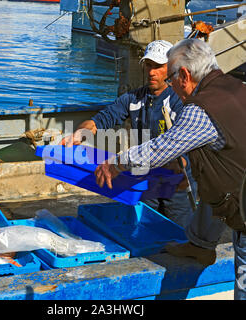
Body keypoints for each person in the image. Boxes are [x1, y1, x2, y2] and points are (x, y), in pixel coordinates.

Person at [94, 38, 246, 299]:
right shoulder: (237, 87)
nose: (171, 85)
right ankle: (201, 245)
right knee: (215, 177)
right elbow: (218, 158)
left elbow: (159, 148)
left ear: (184, 75)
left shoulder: (200, 110)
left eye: (172, 77)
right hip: (236, 183)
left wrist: (116, 163)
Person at [62, 40, 196, 229]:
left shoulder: (181, 101)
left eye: (158, 66)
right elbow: (102, 119)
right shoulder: (133, 99)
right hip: (145, 179)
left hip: (178, 184)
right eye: (149, 65)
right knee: (148, 229)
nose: (151, 72)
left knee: (181, 234)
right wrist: (79, 133)